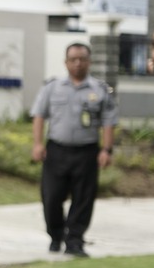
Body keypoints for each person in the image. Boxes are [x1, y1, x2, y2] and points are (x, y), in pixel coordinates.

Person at [30, 41, 118, 256]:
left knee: (83, 198)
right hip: (56, 150)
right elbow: (39, 115)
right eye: (73, 59)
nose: (77, 63)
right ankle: (56, 234)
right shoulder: (52, 87)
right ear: (66, 62)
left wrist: (106, 149)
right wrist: (38, 144)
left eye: (82, 59)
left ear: (89, 62)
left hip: (87, 152)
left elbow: (108, 121)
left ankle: (75, 241)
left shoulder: (100, 90)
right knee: (51, 198)